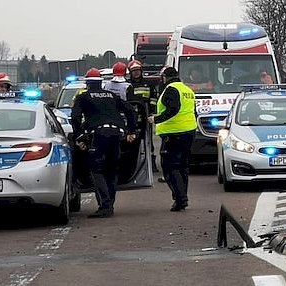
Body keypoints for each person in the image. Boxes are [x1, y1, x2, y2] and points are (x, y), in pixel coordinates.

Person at [71, 68, 137, 218]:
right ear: (101, 83)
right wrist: (132, 131)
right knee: (112, 169)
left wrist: (80, 136)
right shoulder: (112, 95)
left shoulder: (83, 97)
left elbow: (75, 117)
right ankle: (110, 204)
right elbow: (131, 110)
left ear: (87, 83)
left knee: (97, 169)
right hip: (116, 135)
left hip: (99, 135)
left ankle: (105, 206)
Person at [148, 66, 196, 211]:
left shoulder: (170, 89)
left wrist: (156, 119)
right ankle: (182, 196)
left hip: (174, 133)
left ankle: (181, 199)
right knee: (182, 167)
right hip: (189, 132)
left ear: (165, 77)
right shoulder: (187, 90)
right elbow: (193, 110)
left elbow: (173, 109)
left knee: (170, 167)